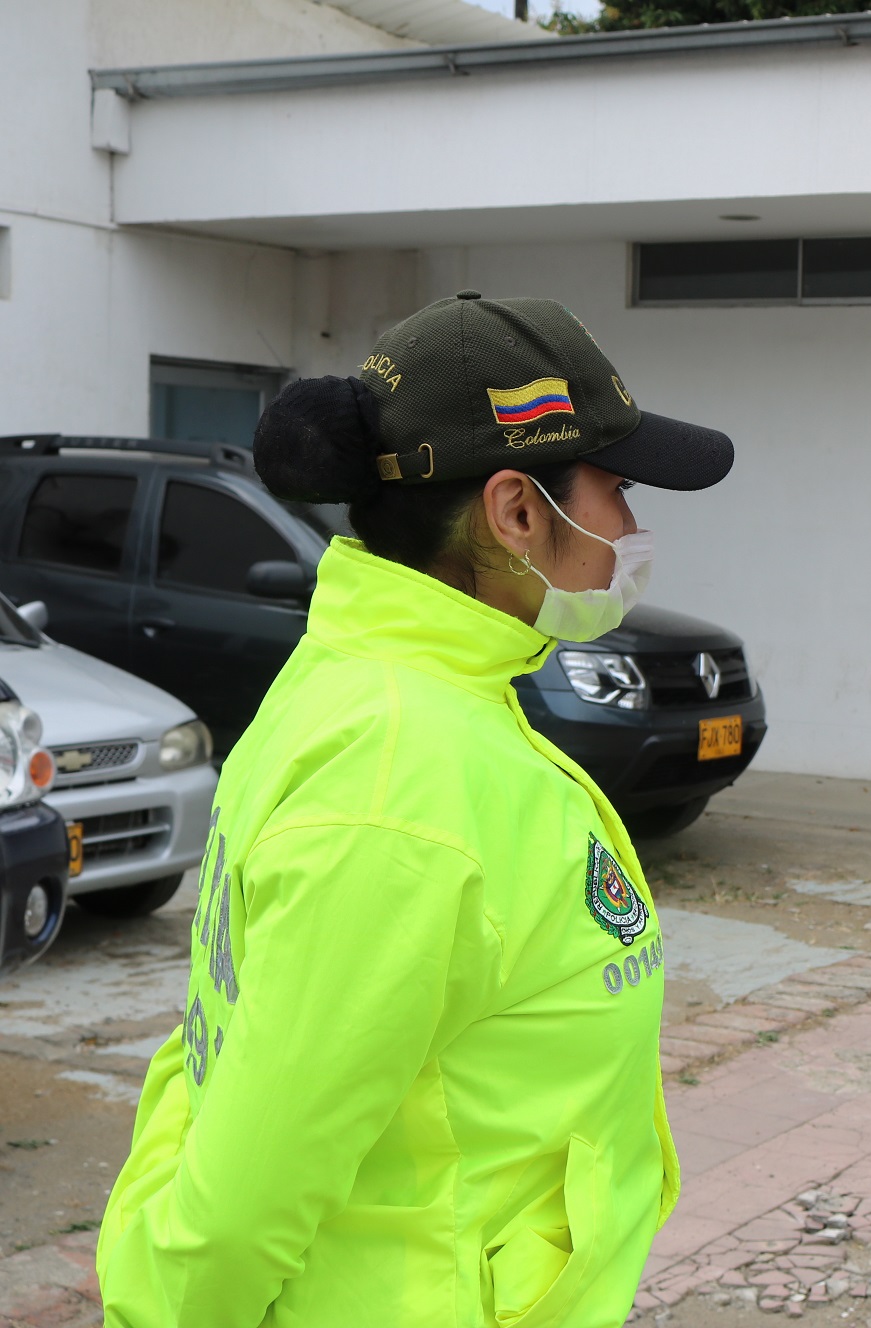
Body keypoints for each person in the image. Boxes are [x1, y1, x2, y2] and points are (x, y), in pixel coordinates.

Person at [96, 291, 733, 1328]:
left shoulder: (409, 683)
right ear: (517, 510)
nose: (633, 526)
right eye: (616, 489)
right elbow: (248, 1188)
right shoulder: (399, 779)